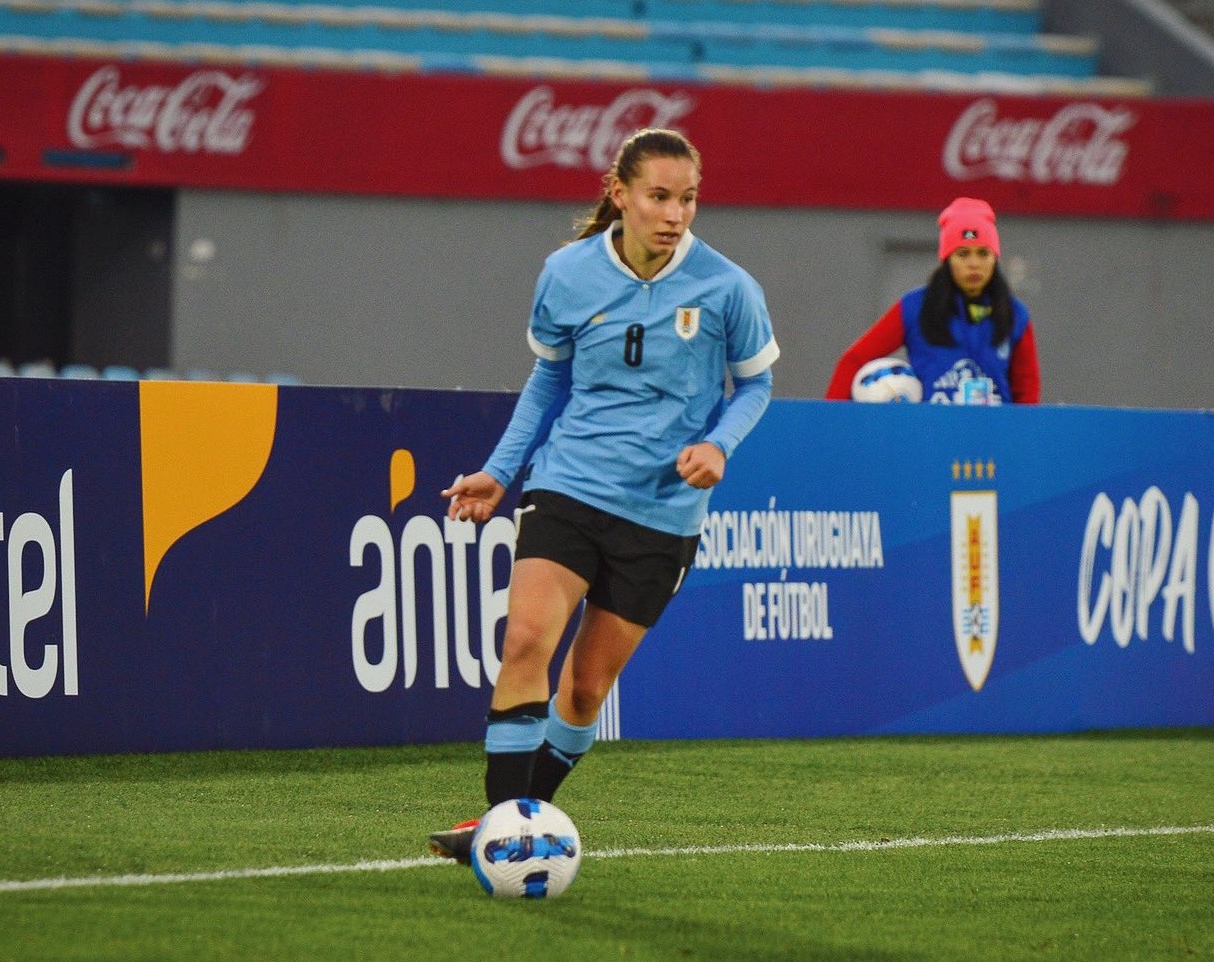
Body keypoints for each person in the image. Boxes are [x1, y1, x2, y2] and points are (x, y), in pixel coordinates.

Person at [428, 128, 781, 861]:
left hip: (662, 514)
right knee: (526, 641)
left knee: (585, 693)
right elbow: (549, 380)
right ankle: (502, 829)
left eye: (687, 199)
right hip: (570, 486)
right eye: (659, 196)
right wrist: (501, 469)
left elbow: (756, 384)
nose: (675, 213)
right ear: (619, 195)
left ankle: (528, 816)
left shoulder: (728, 287)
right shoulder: (565, 274)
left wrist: (719, 444)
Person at [825, 196, 1040, 405]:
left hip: (995, 436)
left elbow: (1027, 391)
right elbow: (853, 360)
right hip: (930, 435)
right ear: (947, 259)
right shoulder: (915, 307)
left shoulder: (1015, 314)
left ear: (995, 258)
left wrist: (1023, 437)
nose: (974, 264)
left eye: (983, 253)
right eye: (963, 254)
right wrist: (829, 427)